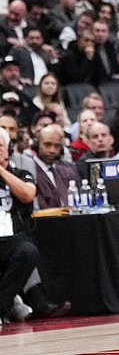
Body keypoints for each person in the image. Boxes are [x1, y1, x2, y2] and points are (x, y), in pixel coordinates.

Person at [0, 127, 71, 324]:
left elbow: (27, 194)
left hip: (12, 237)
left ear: (8, 149)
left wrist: (0, 170)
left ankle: (2, 306)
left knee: (28, 251)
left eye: (0, 146)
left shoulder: (21, 173)